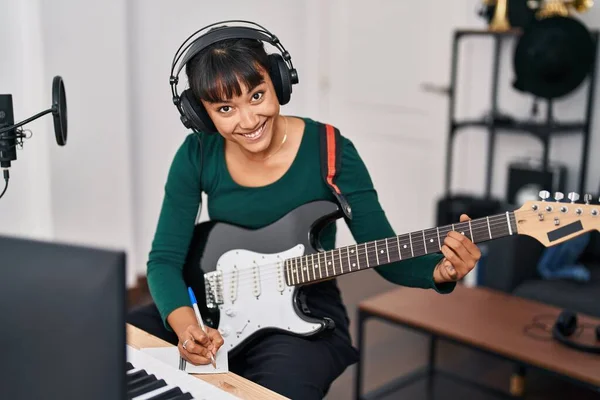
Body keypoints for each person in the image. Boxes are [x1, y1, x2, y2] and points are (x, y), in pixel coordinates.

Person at [127, 22, 481, 399]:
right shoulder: (197, 153)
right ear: (200, 114)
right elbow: (164, 260)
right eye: (225, 108)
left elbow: (385, 252)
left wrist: (439, 271)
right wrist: (186, 327)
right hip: (210, 297)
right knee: (115, 346)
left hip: (305, 304)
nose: (248, 121)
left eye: (258, 95)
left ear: (279, 82)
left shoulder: (330, 150)